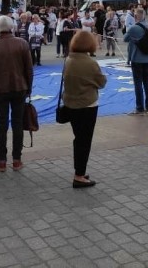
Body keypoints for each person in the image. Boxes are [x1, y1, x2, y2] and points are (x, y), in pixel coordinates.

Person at [0, 16, 34, 171]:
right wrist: (28, 88)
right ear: (12, 27)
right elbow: (29, 70)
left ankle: (2, 161)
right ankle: (17, 159)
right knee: (17, 123)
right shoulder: (22, 43)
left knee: (1, 124)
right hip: (19, 88)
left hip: (0, 89)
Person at [63, 30, 107, 188]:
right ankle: (79, 175)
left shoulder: (68, 59)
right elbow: (101, 83)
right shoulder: (90, 63)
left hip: (70, 104)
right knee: (84, 141)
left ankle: (79, 171)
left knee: (78, 139)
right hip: (87, 105)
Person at [123, 7, 148, 115]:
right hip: (147, 58)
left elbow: (125, 38)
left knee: (138, 84)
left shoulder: (134, 28)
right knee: (147, 82)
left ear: (136, 16)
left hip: (137, 58)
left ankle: (139, 107)